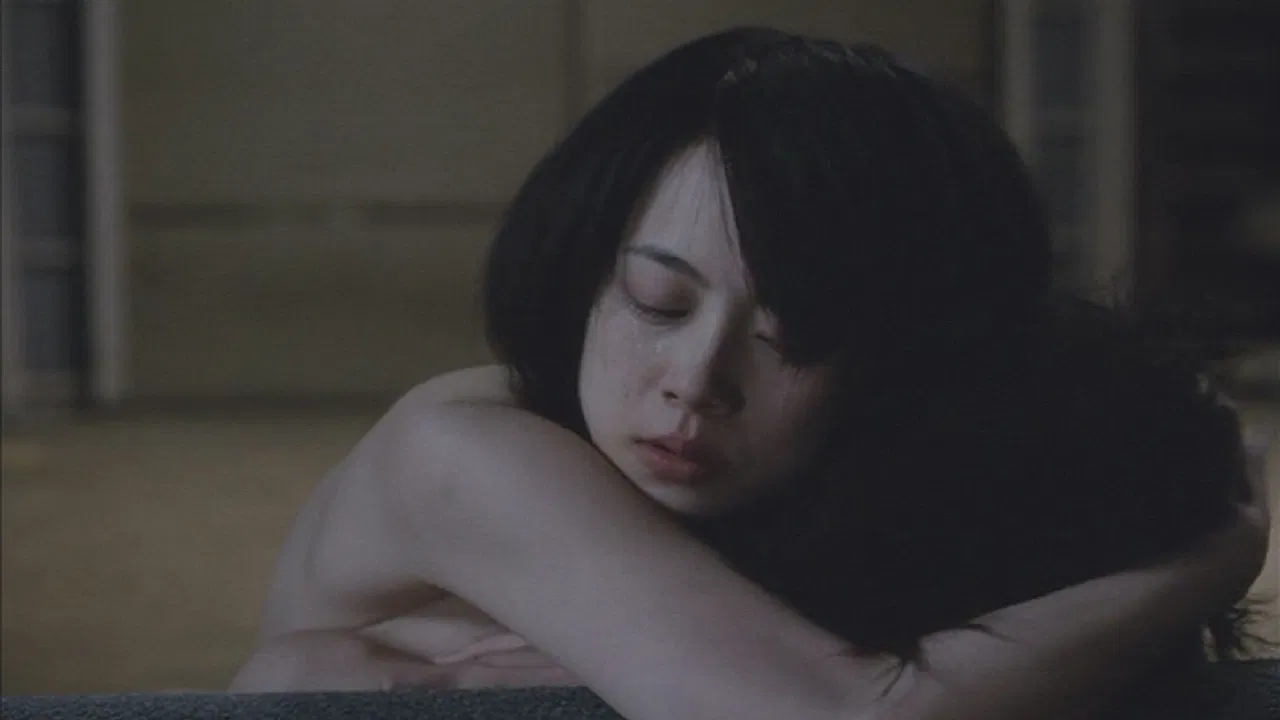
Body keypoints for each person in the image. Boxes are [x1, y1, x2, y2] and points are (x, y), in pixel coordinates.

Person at [229, 28, 1272, 720]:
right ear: (584, 273)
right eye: (657, 301)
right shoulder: (462, 453)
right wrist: (1202, 561)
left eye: (792, 336)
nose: (694, 380)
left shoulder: (852, 471)